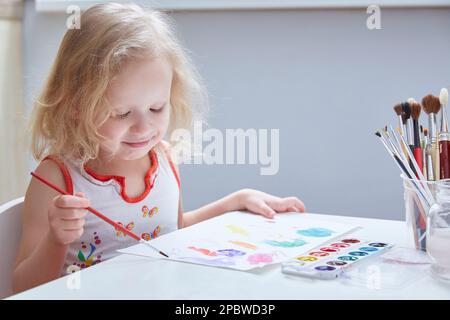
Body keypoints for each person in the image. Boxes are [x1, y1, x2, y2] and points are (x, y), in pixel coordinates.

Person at [12, 3, 305, 293]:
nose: (143, 128)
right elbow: (22, 288)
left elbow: (170, 232)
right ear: (76, 106)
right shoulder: (57, 179)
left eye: (156, 107)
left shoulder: (162, 158)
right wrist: (56, 240)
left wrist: (235, 202)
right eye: (122, 113)